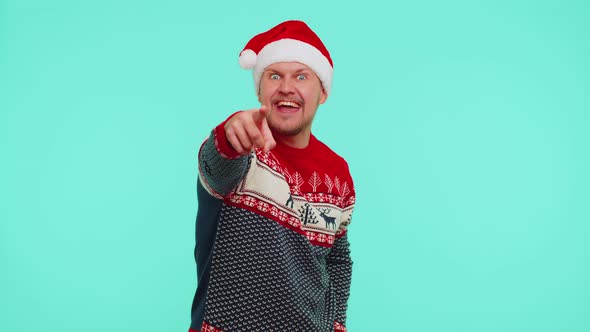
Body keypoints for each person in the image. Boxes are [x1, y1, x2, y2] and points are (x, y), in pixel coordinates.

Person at [189, 20, 356, 332]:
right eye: (274, 75)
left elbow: (337, 258)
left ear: (322, 92)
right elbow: (215, 167)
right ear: (260, 88)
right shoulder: (241, 147)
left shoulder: (338, 172)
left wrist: (336, 323)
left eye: (301, 76)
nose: (286, 87)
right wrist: (229, 135)